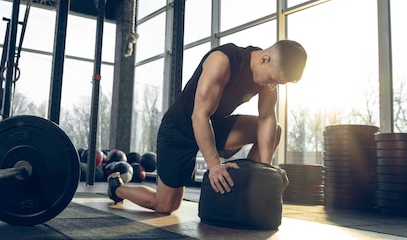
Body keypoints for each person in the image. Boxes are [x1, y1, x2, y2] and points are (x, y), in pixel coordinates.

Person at [108, 40, 307, 214]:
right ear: (265, 59)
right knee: (165, 205)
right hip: (179, 131)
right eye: (272, 80)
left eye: (277, 84)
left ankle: (247, 194)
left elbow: (266, 119)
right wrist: (213, 165)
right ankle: (117, 188)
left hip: (215, 126)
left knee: (275, 130)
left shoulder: (268, 75)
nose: (271, 86)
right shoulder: (222, 60)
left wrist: (266, 170)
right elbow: (199, 115)